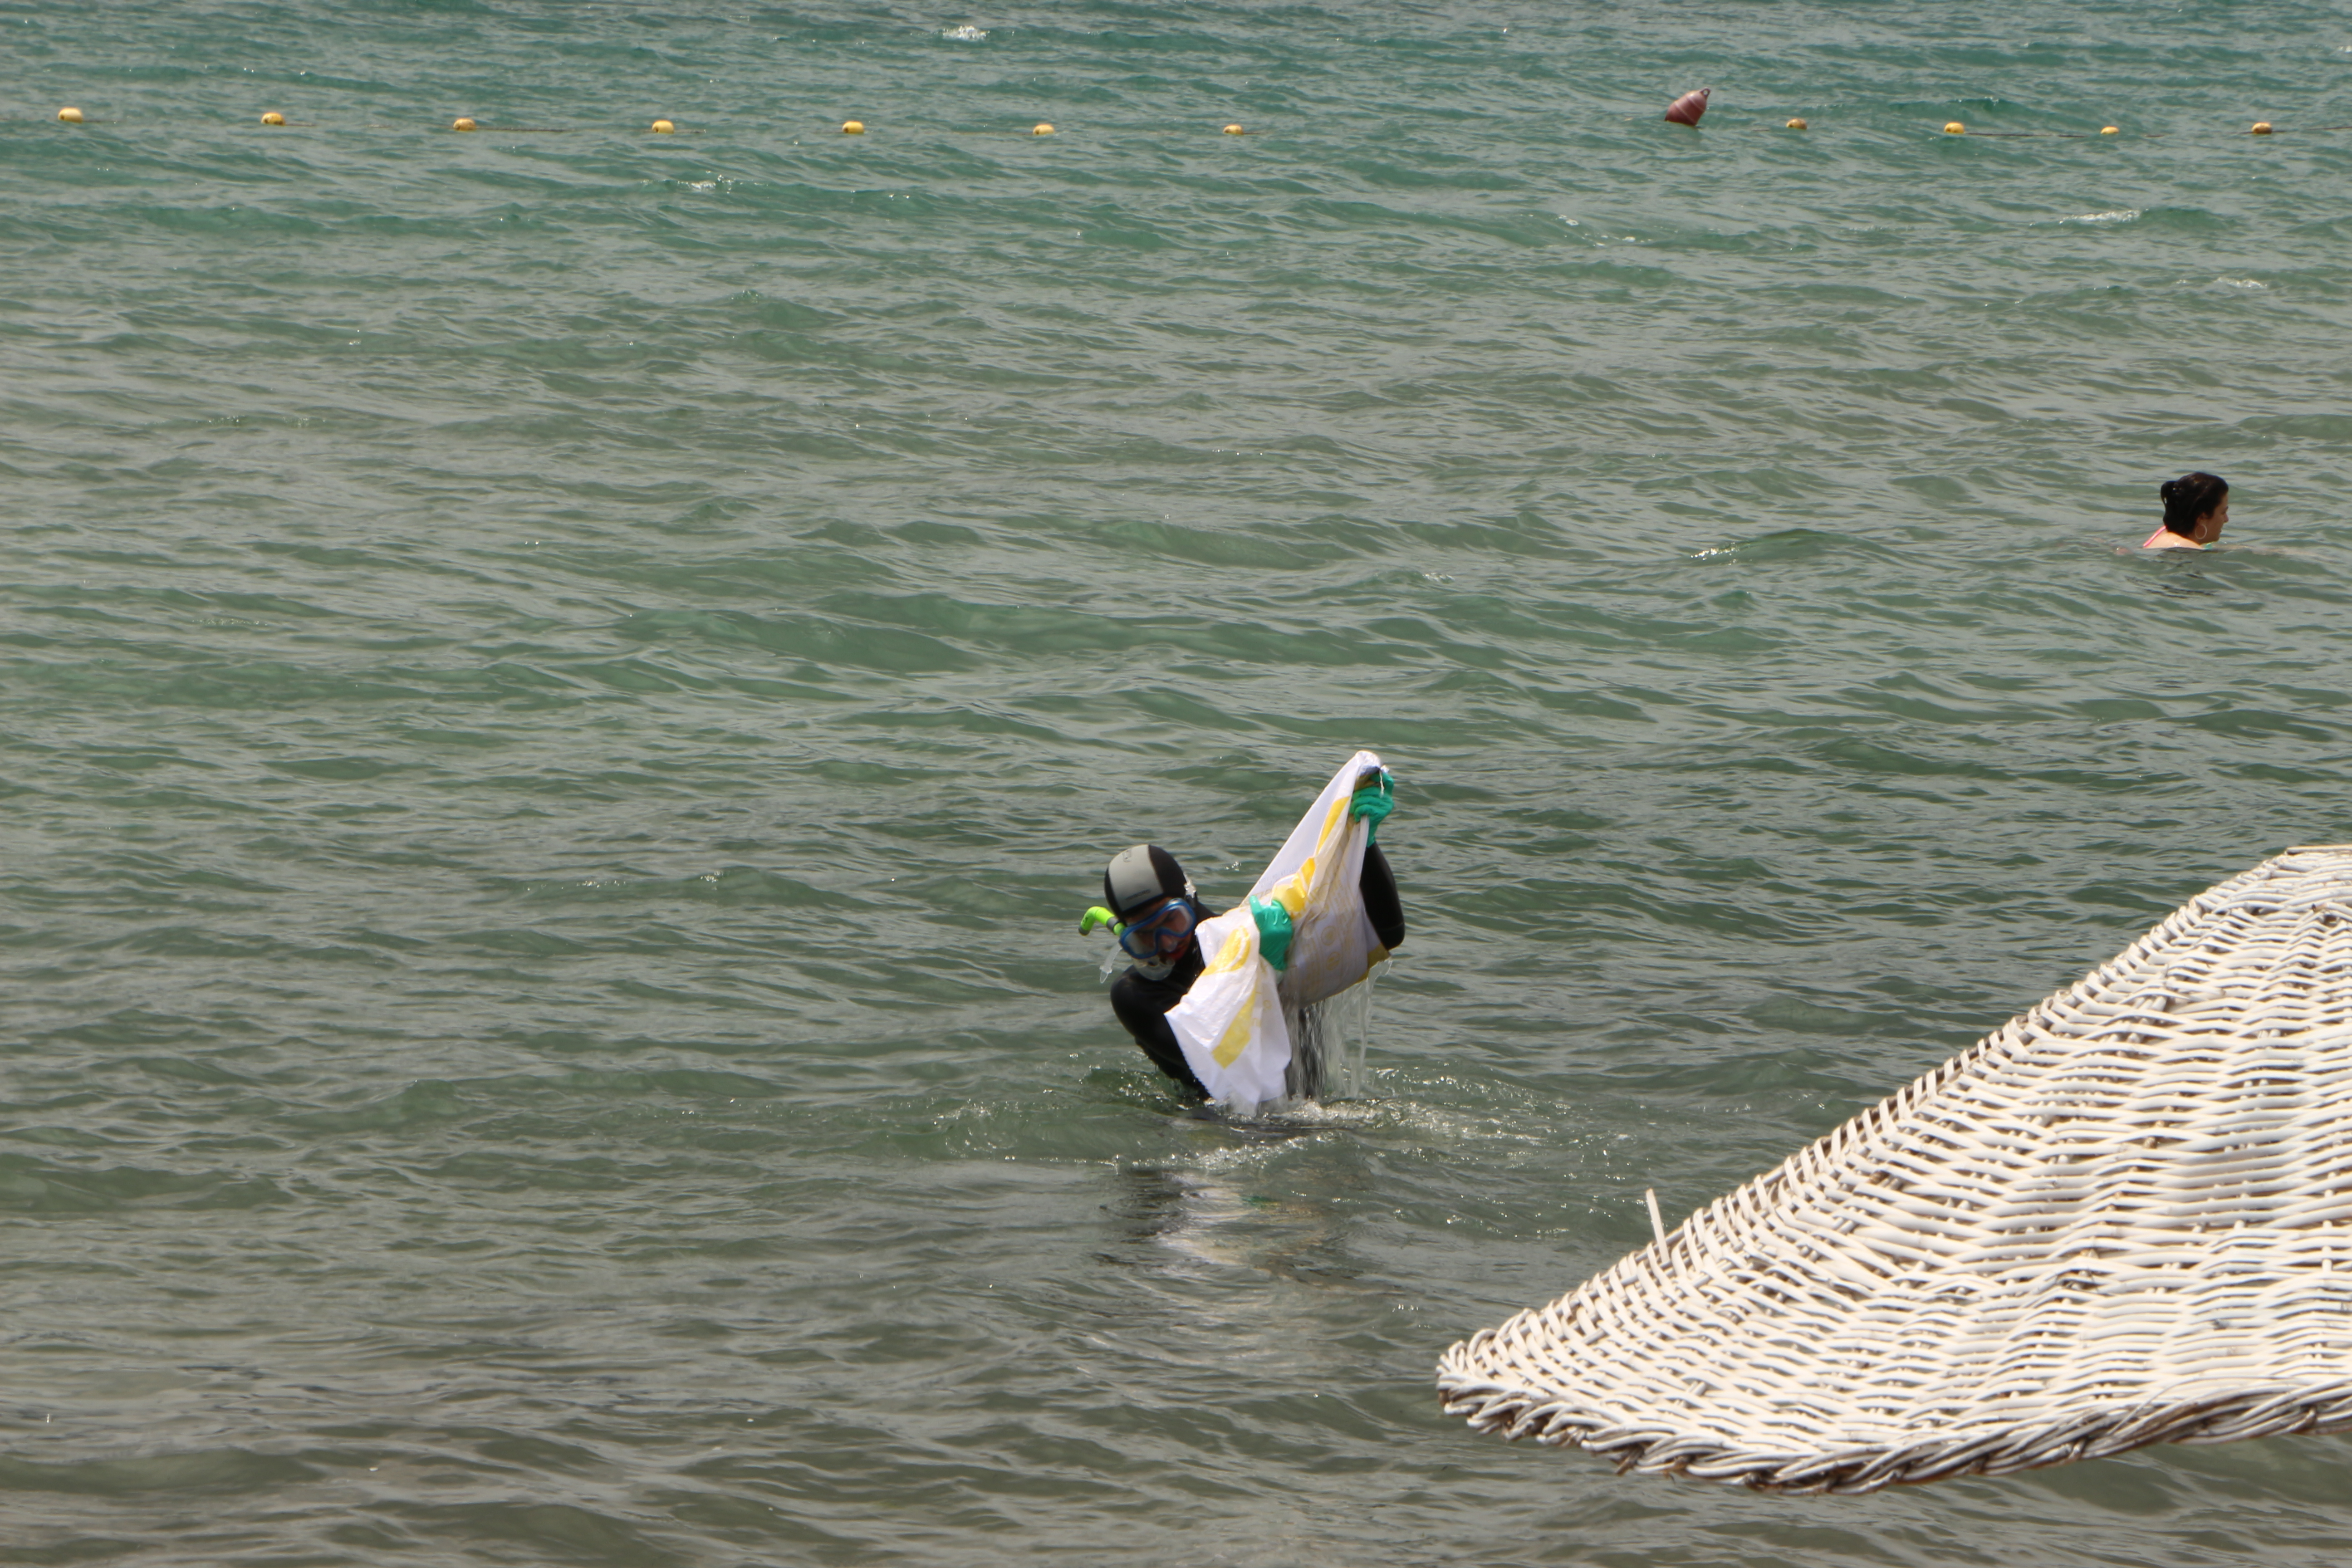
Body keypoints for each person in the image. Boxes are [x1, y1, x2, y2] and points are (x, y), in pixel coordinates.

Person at [1083, 769, 1405, 1098]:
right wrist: (1268, 975)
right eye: (1143, 937)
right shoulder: (1135, 997)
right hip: (1221, 1128)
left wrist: (1363, 847)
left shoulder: (1256, 935)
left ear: (1191, 901)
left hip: (1312, 1111)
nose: (1165, 944)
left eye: (1172, 921)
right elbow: (1219, 1065)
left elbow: (1388, 935)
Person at [2141, 472, 2229, 550]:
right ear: (2202, 518)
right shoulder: (2185, 549)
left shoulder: (2164, 532)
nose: (2226, 519)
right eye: (2223, 513)